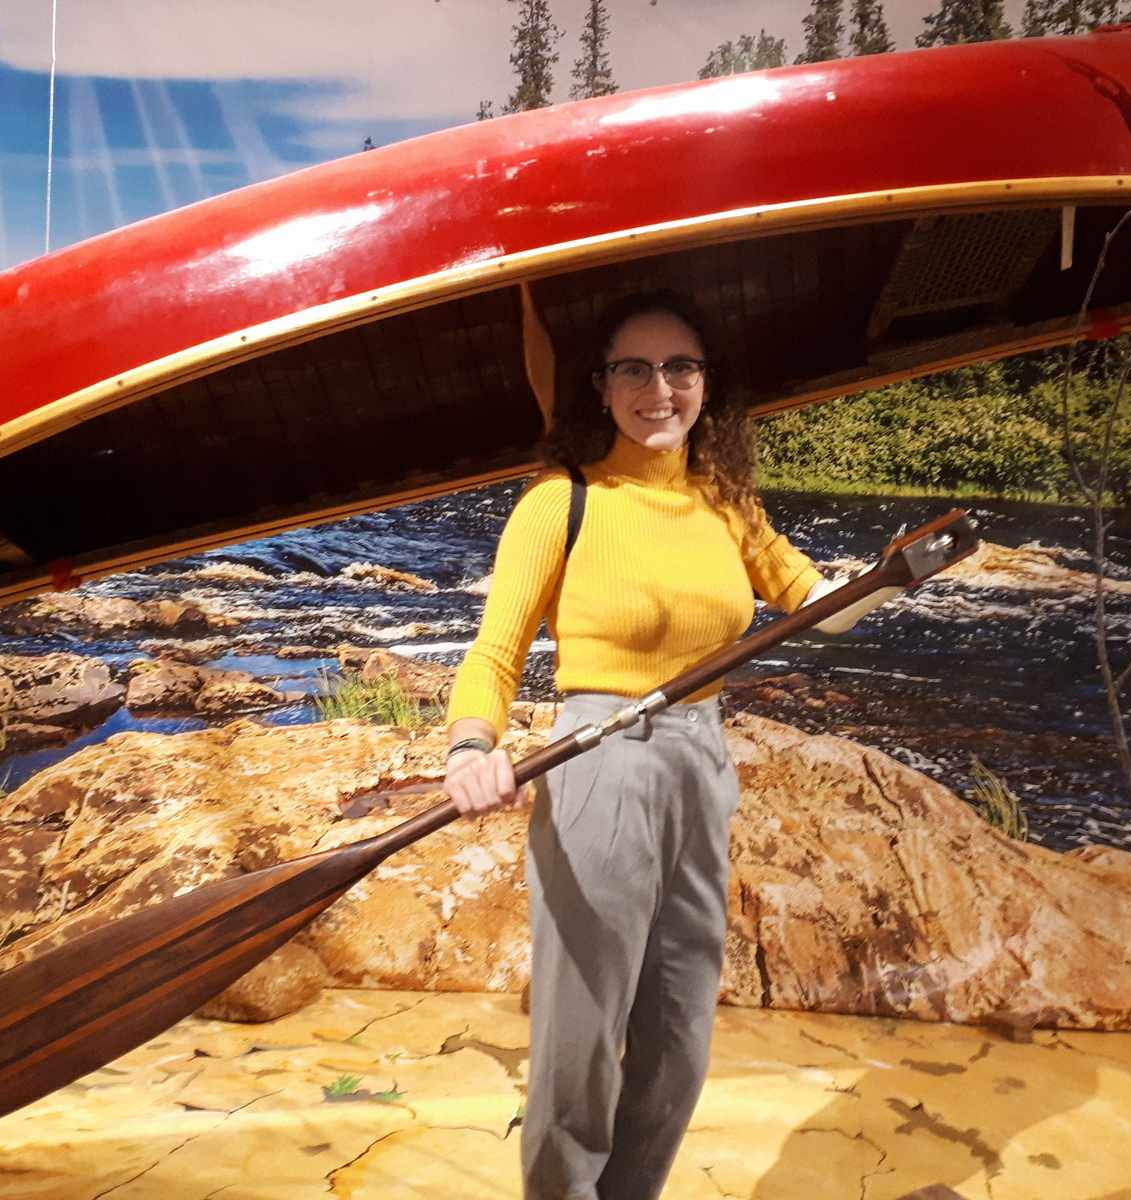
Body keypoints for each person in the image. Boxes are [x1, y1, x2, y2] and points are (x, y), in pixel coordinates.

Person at [440, 290, 897, 1200]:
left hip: (702, 764)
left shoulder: (726, 501)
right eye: (635, 369)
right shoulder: (560, 501)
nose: (661, 389)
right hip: (597, 759)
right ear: (601, 388)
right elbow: (494, 651)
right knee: (581, 1040)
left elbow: (811, 597)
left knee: (682, 1031)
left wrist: (889, 575)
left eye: (680, 367)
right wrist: (469, 747)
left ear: (705, 383)